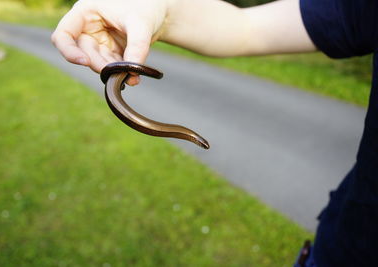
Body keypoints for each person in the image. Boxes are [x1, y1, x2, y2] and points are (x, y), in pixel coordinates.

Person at [51, 0, 378, 266]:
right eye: (198, 140)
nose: (200, 142)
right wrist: (160, 10)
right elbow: (248, 29)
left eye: (199, 140)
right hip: (343, 249)